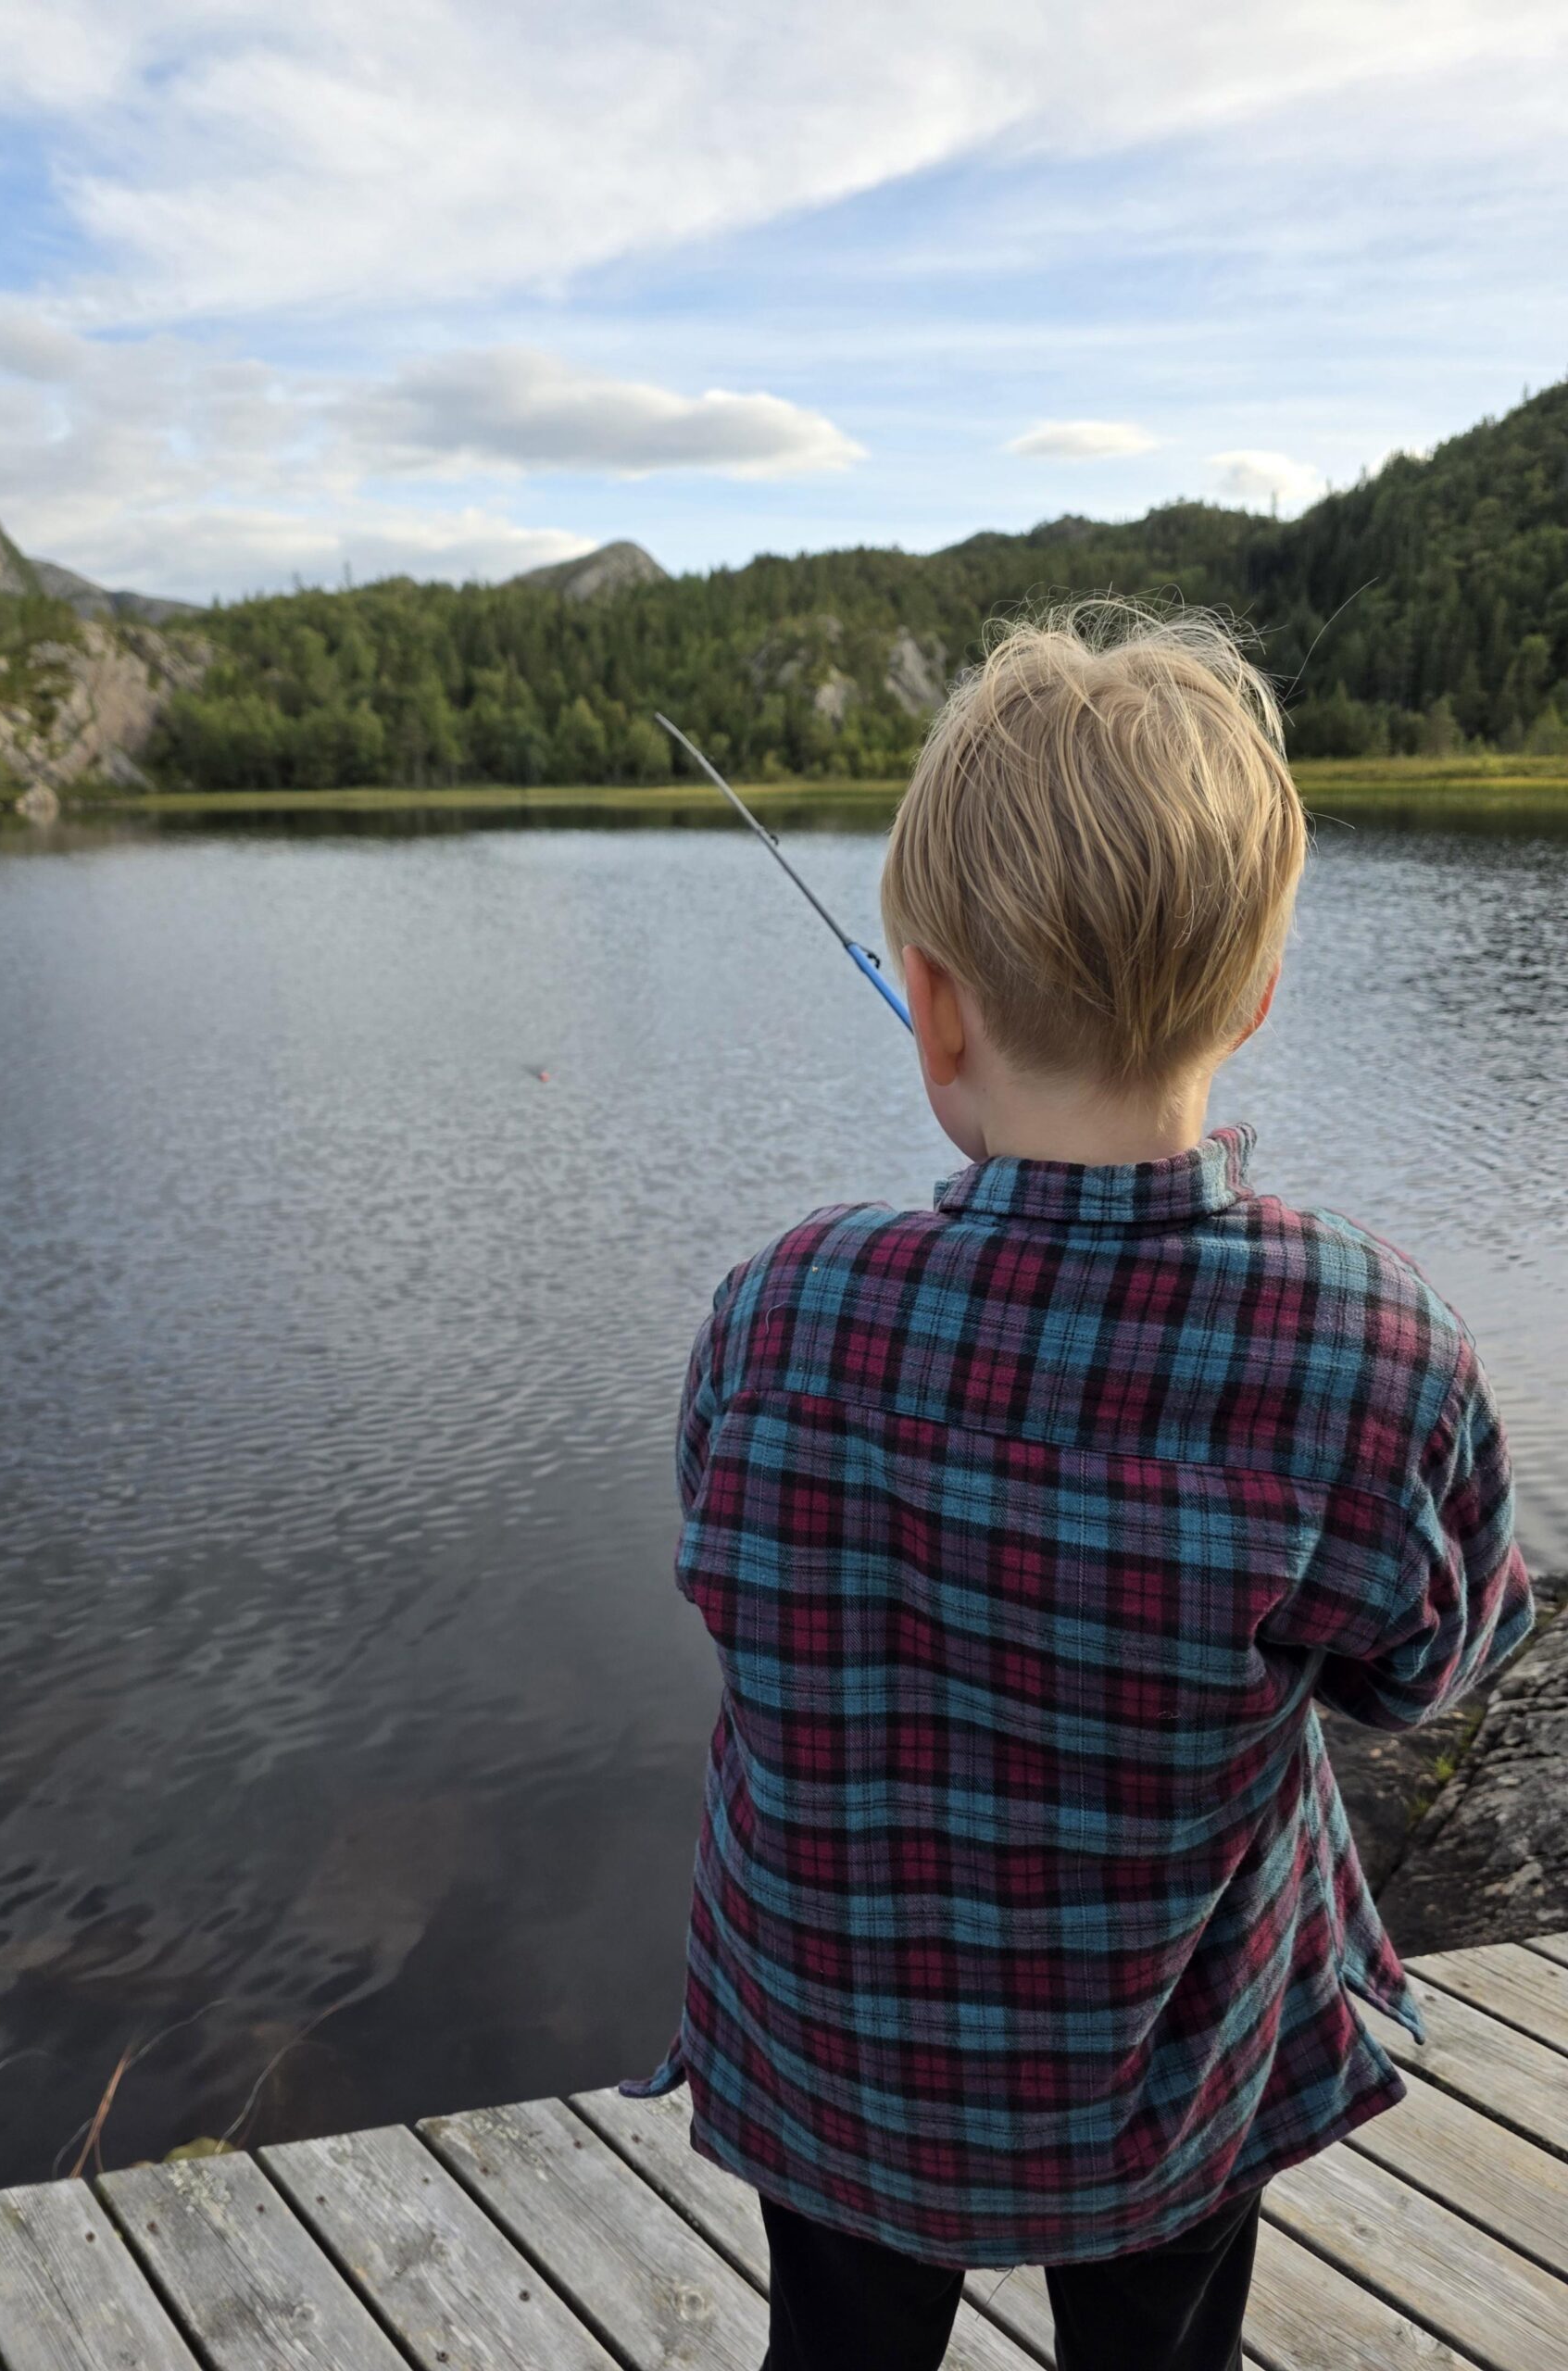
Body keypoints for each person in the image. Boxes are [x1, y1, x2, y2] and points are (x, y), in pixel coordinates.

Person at [625, 604, 1533, 2371]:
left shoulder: (780, 1307)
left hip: (831, 2060)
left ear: (934, 1007)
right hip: (1162, 2090)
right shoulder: (1369, 1347)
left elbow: (716, 1560)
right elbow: (1433, 1670)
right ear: (1257, 993)